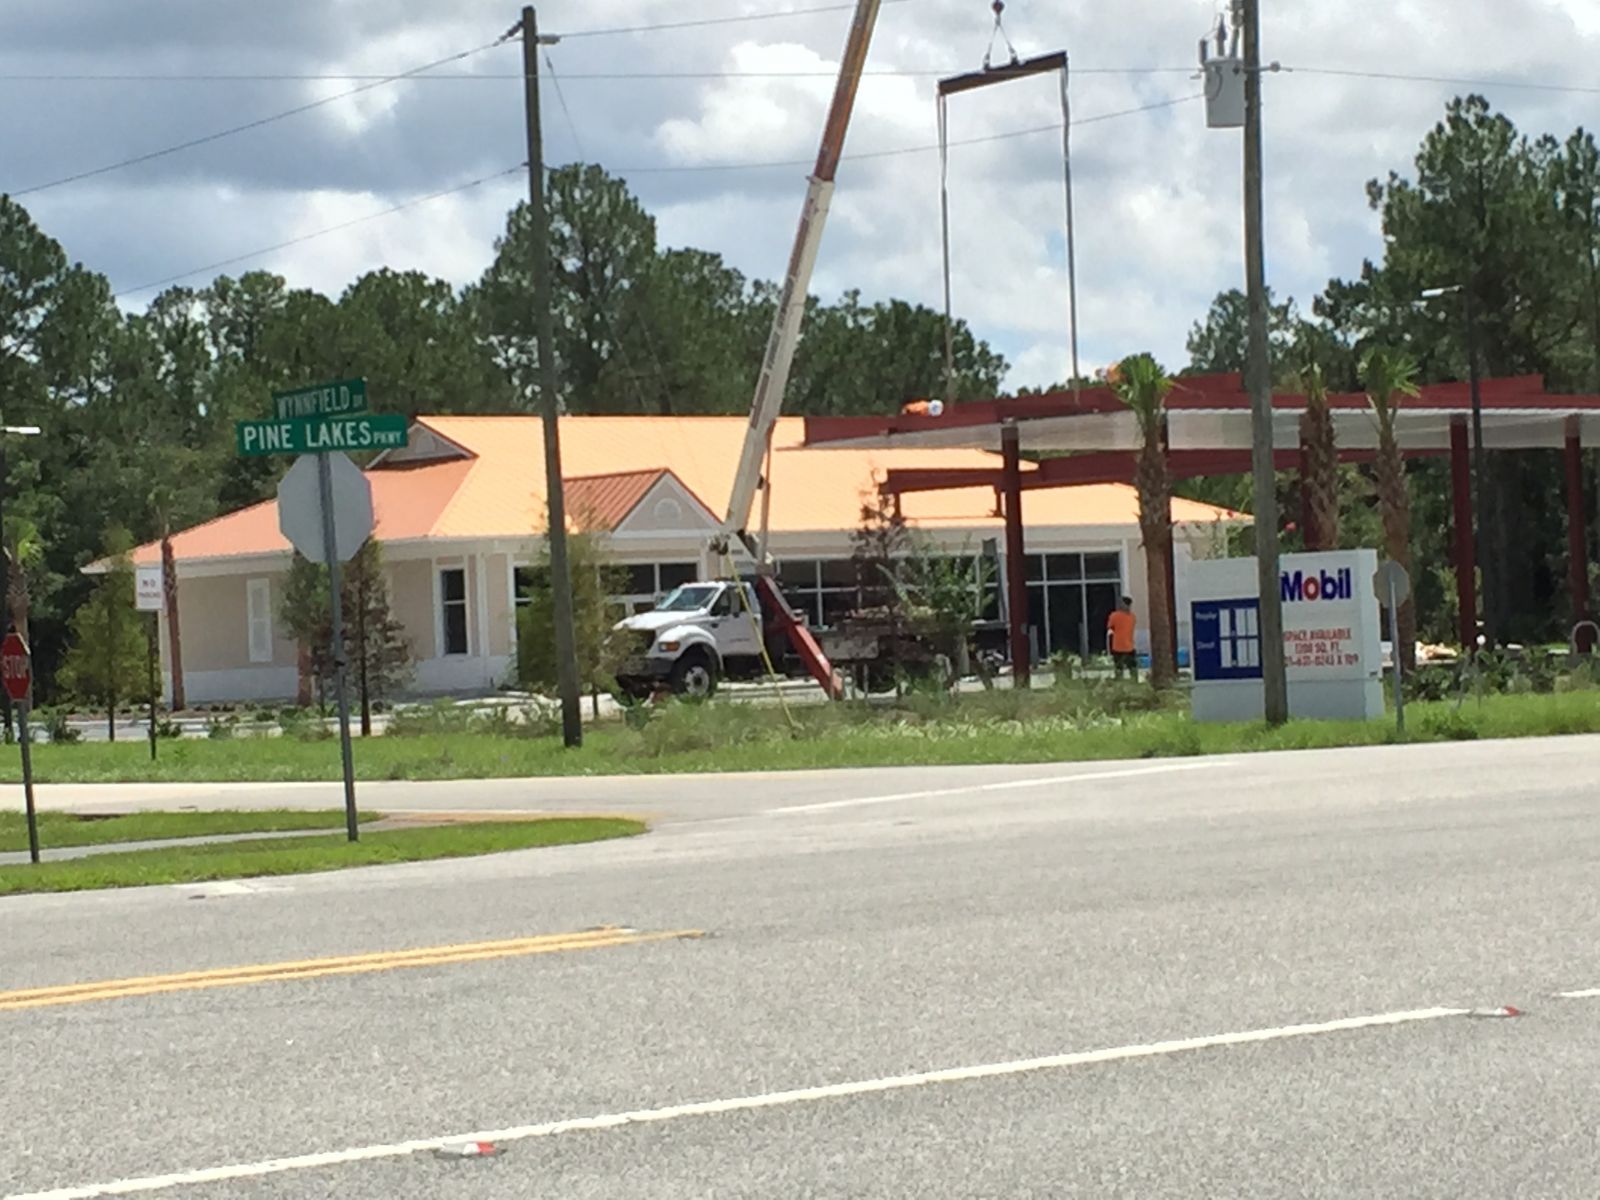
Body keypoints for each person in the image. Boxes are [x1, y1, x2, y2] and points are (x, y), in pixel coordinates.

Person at [1106, 595, 1137, 681]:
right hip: (1120, 646)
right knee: (1121, 668)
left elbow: (1110, 628)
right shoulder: (1117, 616)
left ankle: (1130, 681)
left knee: (1130, 668)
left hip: (1127, 646)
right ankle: (1123, 682)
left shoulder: (1129, 617)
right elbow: (1110, 630)